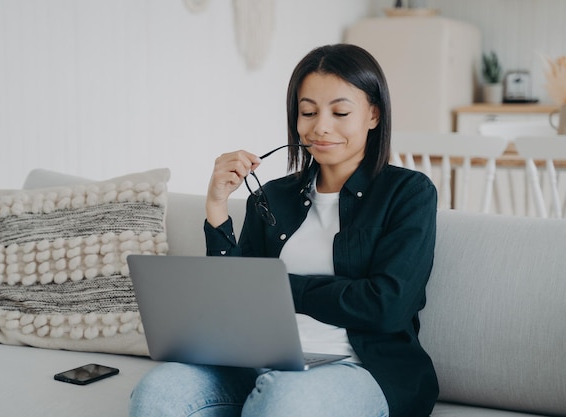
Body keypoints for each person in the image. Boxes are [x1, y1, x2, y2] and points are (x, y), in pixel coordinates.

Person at [129, 43, 439, 417]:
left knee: (283, 400)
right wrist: (216, 208)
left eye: (340, 111)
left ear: (373, 114)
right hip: (259, 360)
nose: (321, 126)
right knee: (157, 393)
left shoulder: (408, 192)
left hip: (360, 368)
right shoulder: (272, 196)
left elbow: (385, 305)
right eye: (308, 112)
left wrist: (278, 287)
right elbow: (235, 297)